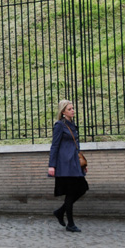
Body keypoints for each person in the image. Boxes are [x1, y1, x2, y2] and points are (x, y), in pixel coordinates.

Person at [48, 99, 88, 233]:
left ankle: (60, 211)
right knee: (70, 194)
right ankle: (70, 224)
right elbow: (54, 146)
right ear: (63, 111)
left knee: (82, 188)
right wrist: (51, 165)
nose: (73, 110)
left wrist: (82, 164)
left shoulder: (73, 124)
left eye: (73, 108)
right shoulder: (59, 125)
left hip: (75, 163)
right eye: (70, 109)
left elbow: (76, 145)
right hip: (65, 164)